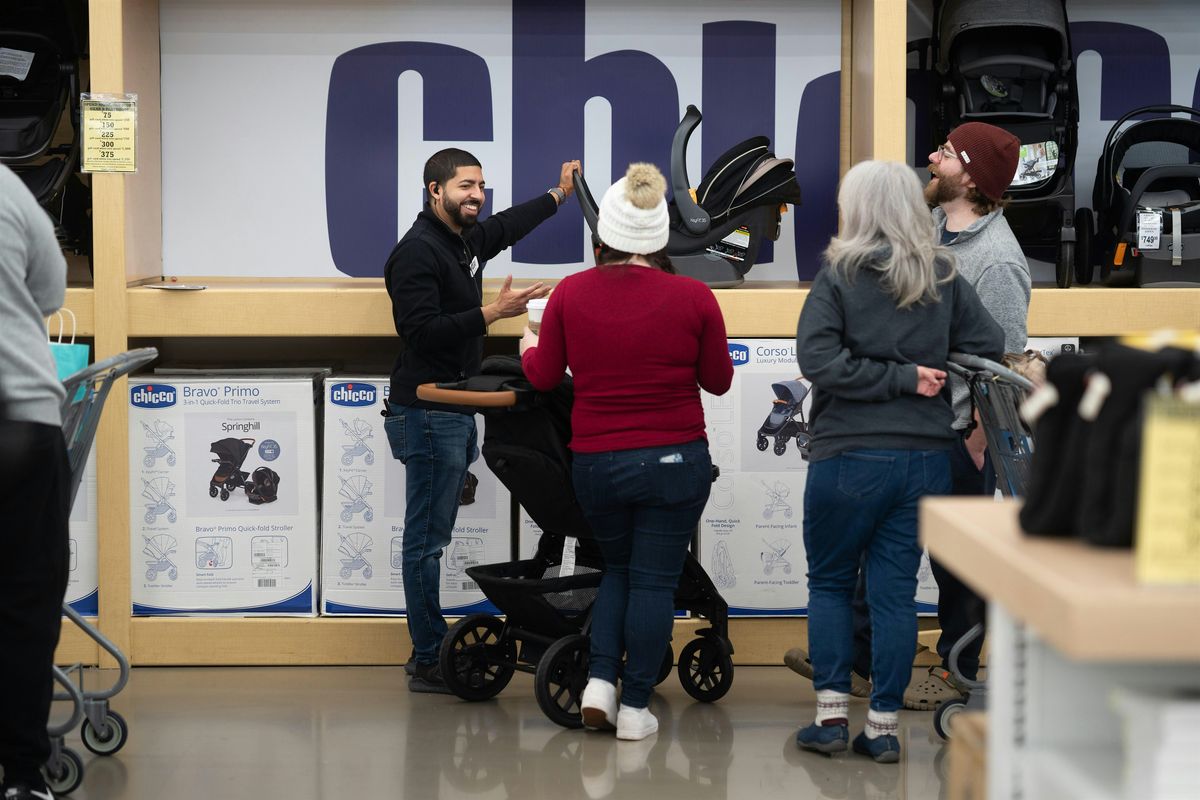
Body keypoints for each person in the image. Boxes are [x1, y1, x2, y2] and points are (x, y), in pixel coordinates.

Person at [785, 122, 1028, 710]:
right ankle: (867, 677)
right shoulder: (937, 243)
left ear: (970, 175)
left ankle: (953, 674)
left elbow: (999, 358)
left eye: (945, 153)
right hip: (921, 434)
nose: (932, 158)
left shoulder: (997, 260)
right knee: (887, 576)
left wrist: (975, 436)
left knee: (955, 572)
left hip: (957, 437)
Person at [520, 163, 733, 741]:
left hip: (597, 464)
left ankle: (598, 686)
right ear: (660, 235)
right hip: (674, 462)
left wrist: (527, 344)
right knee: (654, 582)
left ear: (602, 237)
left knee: (616, 568)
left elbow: (541, 378)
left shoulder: (570, 293)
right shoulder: (695, 297)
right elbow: (718, 381)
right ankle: (636, 707)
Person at [384, 148, 580, 693]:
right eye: (465, 186)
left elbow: (506, 224)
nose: (476, 195)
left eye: (480, 186)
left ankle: (427, 651)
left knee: (432, 535)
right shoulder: (416, 253)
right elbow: (420, 332)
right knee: (426, 541)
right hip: (425, 410)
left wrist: (559, 194)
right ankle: (427, 657)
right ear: (434, 191)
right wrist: (494, 313)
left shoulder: (462, 239)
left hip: (452, 408)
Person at [0, 164, 71, 800]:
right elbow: (51, 291)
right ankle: (23, 776)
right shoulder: (4, 187)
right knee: (24, 603)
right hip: (19, 422)